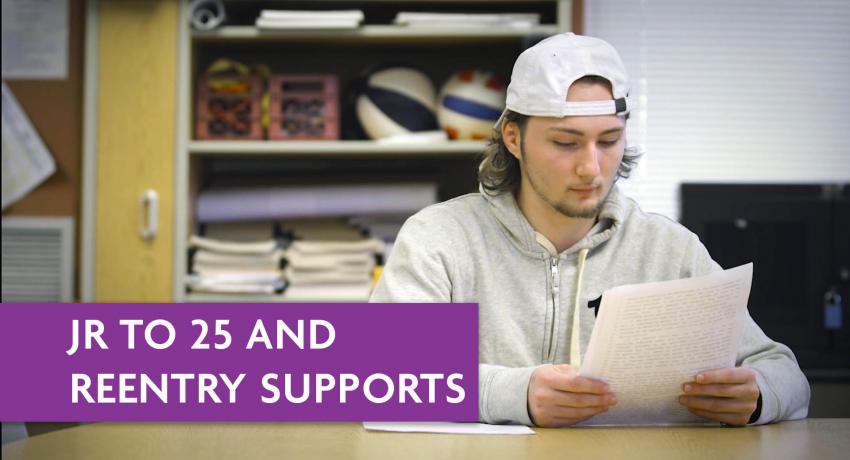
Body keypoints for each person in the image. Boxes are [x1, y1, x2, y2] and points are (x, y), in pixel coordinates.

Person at [369, 33, 810, 427]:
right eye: (565, 142)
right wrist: (514, 394)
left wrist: (758, 396)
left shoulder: (669, 250)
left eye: (609, 140)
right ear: (513, 138)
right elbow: (385, 376)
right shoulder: (440, 239)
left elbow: (784, 371)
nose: (591, 167)